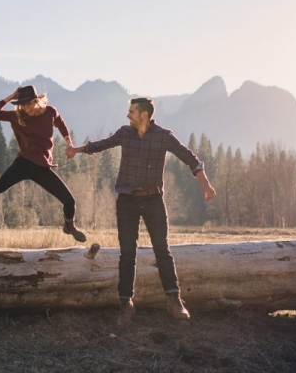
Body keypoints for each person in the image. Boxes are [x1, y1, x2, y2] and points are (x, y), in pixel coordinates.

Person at [66, 97, 215, 328]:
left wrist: (205, 183)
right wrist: (78, 149)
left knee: (162, 249)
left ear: (144, 114)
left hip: (153, 200)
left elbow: (189, 158)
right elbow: (102, 144)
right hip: (126, 201)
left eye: (132, 111)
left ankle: (174, 300)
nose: (128, 115)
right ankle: (126, 304)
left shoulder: (163, 136)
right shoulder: (125, 133)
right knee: (127, 253)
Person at [0, 85, 87, 242]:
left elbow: (60, 122)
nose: (25, 108)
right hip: (24, 163)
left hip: (42, 166)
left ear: (37, 101)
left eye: (28, 104)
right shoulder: (17, 116)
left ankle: (69, 225)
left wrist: (69, 144)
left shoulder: (50, 112)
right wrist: (11, 97)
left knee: (69, 200)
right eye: (22, 104)